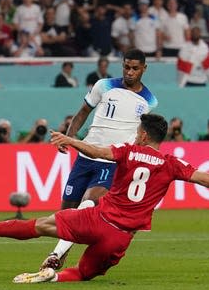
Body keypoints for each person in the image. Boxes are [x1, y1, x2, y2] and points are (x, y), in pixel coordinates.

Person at [0, 114, 209, 283]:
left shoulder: (129, 151)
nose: (135, 136)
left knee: (41, 225)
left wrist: (70, 140)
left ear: (144, 136)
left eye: (138, 132)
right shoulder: (172, 164)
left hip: (96, 219)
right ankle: (53, 277)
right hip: (120, 238)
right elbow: (208, 179)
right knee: (83, 273)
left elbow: (98, 152)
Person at [39, 48, 158, 271]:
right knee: (67, 213)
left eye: (135, 68)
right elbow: (83, 111)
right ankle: (65, 249)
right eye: (126, 67)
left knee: (90, 201)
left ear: (144, 69)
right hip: (85, 156)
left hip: (111, 160)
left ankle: (56, 254)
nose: (129, 72)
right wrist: (70, 137)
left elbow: (141, 135)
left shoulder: (149, 101)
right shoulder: (103, 85)